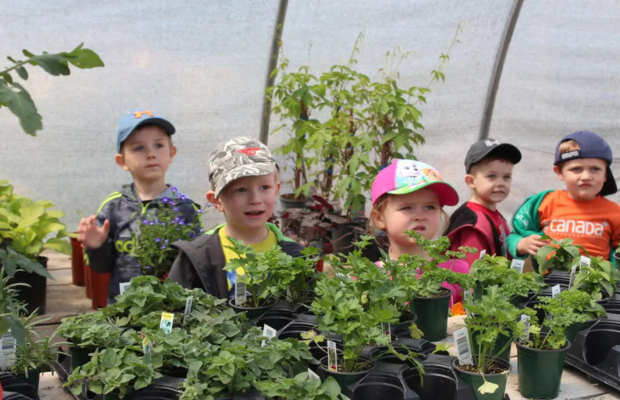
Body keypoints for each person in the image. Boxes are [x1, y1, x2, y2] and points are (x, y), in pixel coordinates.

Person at [78, 109, 200, 304]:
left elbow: (197, 263)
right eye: (139, 148)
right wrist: (97, 247)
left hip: (170, 307)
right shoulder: (113, 207)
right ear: (122, 161)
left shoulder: (185, 208)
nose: (151, 154)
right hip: (124, 309)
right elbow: (101, 267)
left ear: (171, 153)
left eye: (159, 145)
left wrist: (179, 270)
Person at [168, 136, 304, 299]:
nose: (255, 199)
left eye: (264, 187)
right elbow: (171, 309)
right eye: (241, 190)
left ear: (277, 189)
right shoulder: (197, 258)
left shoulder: (296, 255)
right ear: (217, 201)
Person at [507, 131, 620, 268]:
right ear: (559, 172)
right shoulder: (544, 202)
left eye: (595, 169)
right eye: (576, 169)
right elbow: (513, 236)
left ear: (606, 175)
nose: (586, 176)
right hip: (549, 279)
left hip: (594, 280)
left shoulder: (615, 212)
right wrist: (521, 244)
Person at [370, 159, 470, 303]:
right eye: (407, 207)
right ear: (379, 218)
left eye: (430, 207)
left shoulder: (458, 272)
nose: (420, 216)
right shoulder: (369, 279)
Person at [445, 138, 522, 266]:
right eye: (492, 176)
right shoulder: (472, 224)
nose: (501, 183)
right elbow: (471, 271)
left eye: (506, 176)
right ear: (471, 181)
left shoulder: (495, 215)